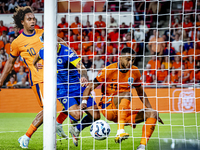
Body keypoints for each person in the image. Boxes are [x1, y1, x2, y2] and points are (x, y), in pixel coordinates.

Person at [0, 6, 68, 149]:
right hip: (39, 80)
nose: (33, 21)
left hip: (57, 77)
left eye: (33, 18)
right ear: (22, 22)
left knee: (73, 100)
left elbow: (61, 43)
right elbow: (10, 63)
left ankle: (58, 123)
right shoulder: (17, 43)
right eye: (29, 19)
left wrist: (70, 55)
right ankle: (26, 137)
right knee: (48, 110)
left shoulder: (43, 33)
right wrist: (0, 82)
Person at [82, 47, 164, 150]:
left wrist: (151, 109)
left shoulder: (135, 72)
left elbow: (141, 93)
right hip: (108, 108)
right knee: (127, 94)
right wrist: (84, 101)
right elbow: (89, 87)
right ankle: (120, 131)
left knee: (153, 113)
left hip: (123, 111)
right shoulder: (109, 70)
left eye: (133, 60)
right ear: (120, 58)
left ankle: (142, 147)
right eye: (128, 59)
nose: (131, 62)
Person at [33, 36, 100, 147]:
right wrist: (35, 64)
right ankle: (65, 120)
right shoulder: (43, 51)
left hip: (79, 87)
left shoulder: (66, 52)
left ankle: (76, 129)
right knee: (78, 115)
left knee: (96, 116)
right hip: (63, 90)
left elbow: (81, 66)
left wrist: (83, 76)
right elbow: (35, 59)